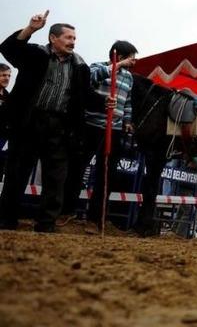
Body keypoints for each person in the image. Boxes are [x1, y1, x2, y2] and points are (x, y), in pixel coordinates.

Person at [0, 13, 111, 232]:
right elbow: (8, 49)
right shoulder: (34, 55)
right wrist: (30, 29)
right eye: (68, 37)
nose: (73, 42)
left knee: (57, 176)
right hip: (29, 122)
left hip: (60, 126)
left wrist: (104, 101)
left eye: (74, 38)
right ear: (53, 38)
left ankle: (46, 223)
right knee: (17, 172)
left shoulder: (80, 66)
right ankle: (6, 220)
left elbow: (85, 95)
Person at [61, 40, 138, 227]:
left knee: (107, 174)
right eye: (131, 59)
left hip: (115, 129)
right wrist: (116, 66)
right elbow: (91, 79)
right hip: (91, 126)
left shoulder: (128, 78)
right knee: (77, 169)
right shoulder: (97, 67)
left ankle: (96, 218)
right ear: (118, 56)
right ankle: (66, 211)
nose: (133, 62)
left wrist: (127, 121)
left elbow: (127, 102)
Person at [0, 63, 11, 172]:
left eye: (9, 76)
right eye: (3, 75)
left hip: (3, 143)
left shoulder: (9, 97)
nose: (7, 78)